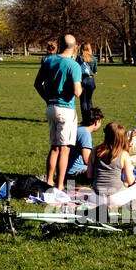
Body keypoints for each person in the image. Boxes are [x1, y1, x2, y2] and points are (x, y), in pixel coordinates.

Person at [34, 34, 83, 189]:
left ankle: (49, 180)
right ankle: (60, 184)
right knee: (64, 149)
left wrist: (47, 99)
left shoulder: (48, 60)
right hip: (66, 109)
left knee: (54, 147)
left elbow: (37, 83)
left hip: (51, 107)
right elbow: (77, 92)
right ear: (75, 46)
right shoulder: (73, 65)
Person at [68, 107, 103, 182]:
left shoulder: (79, 129)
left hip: (67, 172)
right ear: (97, 122)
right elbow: (87, 160)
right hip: (75, 173)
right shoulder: (85, 134)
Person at [78, 44, 97, 124]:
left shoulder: (79, 58)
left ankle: (85, 119)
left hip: (82, 80)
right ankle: (91, 118)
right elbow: (95, 71)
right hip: (91, 80)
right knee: (89, 100)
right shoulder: (93, 58)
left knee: (83, 101)